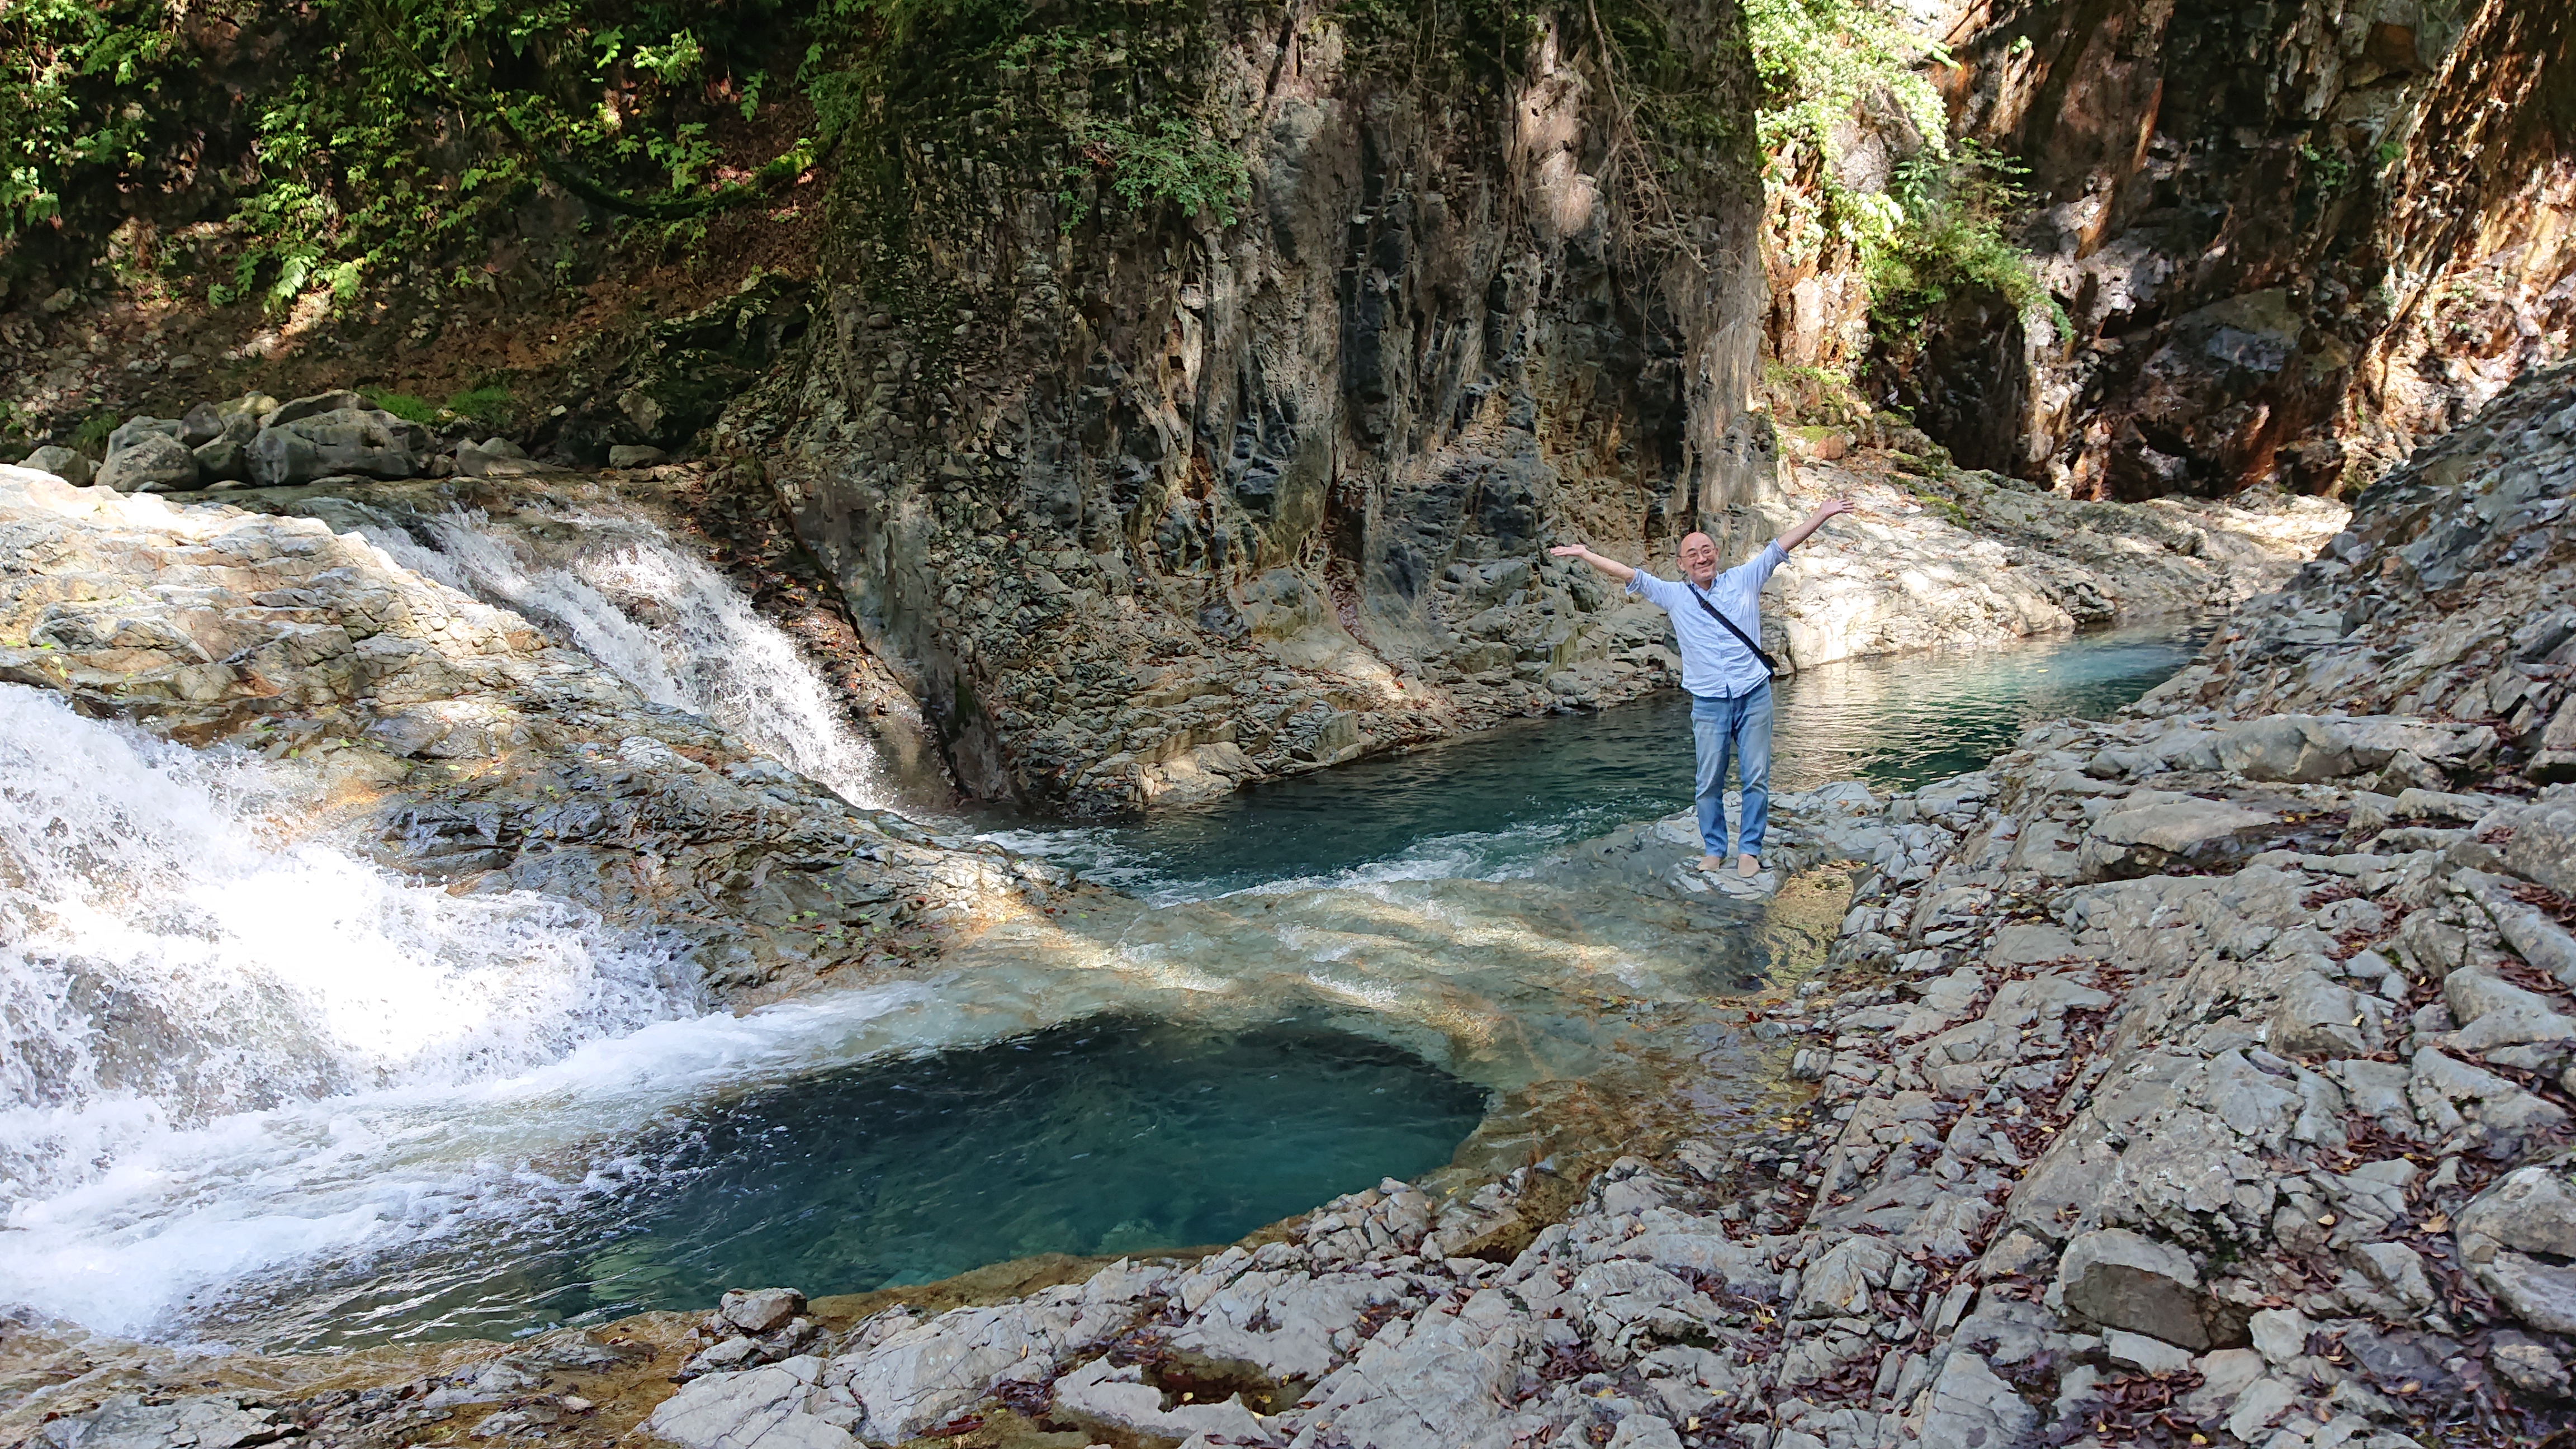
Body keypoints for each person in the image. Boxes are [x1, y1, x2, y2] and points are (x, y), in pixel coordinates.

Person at [1550, 500, 1856, 880]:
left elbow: (1781, 546)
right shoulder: (1674, 595)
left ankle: (1749, 850)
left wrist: (1822, 514)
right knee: (1708, 780)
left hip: (1754, 695)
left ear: (1717, 554)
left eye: (1706, 550)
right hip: (1709, 703)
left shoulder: (1745, 578)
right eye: (1692, 554)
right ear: (1681, 564)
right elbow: (1630, 574)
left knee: (1755, 776)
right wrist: (1585, 554)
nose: (1701, 558)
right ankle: (1714, 848)